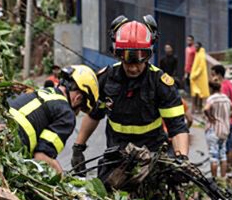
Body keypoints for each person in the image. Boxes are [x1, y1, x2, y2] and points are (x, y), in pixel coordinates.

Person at [72, 20, 189, 179]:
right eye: (128, 62)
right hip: (117, 154)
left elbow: (177, 127)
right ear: (118, 54)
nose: (133, 68)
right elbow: (94, 115)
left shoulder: (161, 83)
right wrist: (78, 148)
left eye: (138, 62)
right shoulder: (106, 79)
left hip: (153, 153)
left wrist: (182, 159)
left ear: (148, 55)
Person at [8, 66, 97, 171]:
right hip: (11, 146)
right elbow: (41, 157)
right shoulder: (67, 114)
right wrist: (61, 176)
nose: (77, 113)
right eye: (81, 108)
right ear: (78, 99)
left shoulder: (43, 92)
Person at [202, 68, 232, 181]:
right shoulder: (225, 98)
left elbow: (206, 109)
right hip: (224, 130)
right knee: (223, 155)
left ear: (211, 88)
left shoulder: (212, 98)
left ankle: (214, 180)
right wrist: (227, 117)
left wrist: (210, 118)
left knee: (213, 156)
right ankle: (223, 178)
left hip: (213, 130)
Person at [216, 69, 232, 176]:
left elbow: (225, 106)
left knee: (227, 146)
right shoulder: (228, 83)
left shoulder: (224, 87)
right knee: (230, 144)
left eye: (213, 75)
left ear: (219, 75)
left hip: (228, 120)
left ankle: (228, 168)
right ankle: (231, 166)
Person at [187, 37, 211, 116]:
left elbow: (200, 67)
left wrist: (193, 75)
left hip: (199, 78)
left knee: (199, 94)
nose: (196, 48)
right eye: (195, 47)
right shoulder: (198, 54)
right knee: (195, 94)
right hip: (196, 78)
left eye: (197, 47)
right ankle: (195, 108)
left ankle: (198, 108)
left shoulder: (201, 55)